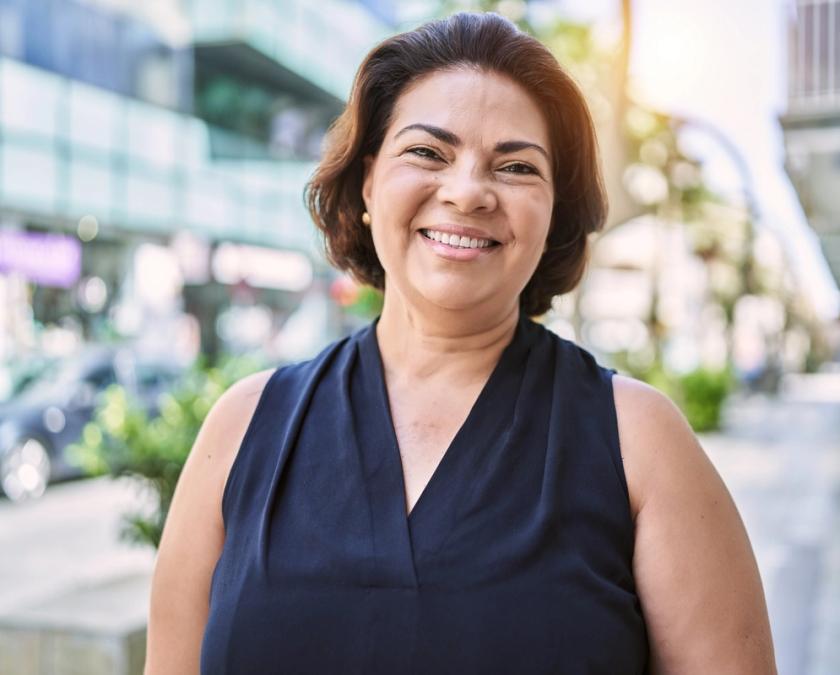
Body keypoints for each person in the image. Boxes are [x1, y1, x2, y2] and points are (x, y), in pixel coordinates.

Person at [145, 12, 776, 675]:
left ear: (555, 212)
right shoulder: (243, 428)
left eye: (514, 166)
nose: (468, 192)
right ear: (367, 182)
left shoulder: (638, 440)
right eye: (427, 152)